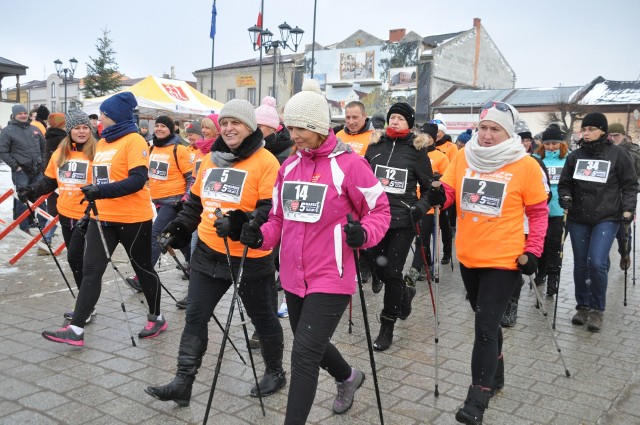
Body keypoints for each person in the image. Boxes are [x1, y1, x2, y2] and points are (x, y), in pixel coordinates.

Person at [239, 79, 391, 423]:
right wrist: (256, 236)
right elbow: (277, 219)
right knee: (314, 346)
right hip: (292, 276)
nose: (293, 134)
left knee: (303, 355)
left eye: (301, 128)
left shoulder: (350, 165)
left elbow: (380, 210)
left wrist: (363, 233)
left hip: (331, 276)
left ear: (320, 126)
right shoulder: (289, 167)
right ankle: (349, 377)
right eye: (289, 126)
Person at [145, 99, 286, 406]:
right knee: (195, 317)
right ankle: (183, 382)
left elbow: (269, 210)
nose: (228, 128)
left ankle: (275, 371)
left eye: (235, 122)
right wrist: (180, 228)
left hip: (250, 258)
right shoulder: (212, 159)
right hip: (209, 252)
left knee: (262, 318)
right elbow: (195, 203)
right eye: (224, 123)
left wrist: (240, 224)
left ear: (249, 127)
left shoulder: (265, 162)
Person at [427, 101, 549, 424]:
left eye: (495, 129)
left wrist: (534, 251)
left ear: (508, 133)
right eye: (483, 128)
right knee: (489, 323)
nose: (487, 135)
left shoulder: (526, 166)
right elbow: (451, 189)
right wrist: (441, 196)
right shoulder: (466, 155)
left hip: (505, 259)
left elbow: (538, 214)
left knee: (483, 327)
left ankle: (476, 400)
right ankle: (497, 376)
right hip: (468, 255)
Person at [41, 92, 166, 346]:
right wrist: (90, 208)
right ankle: (76, 329)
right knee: (91, 270)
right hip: (102, 217)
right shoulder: (104, 143)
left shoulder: (134, 141)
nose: (100, 120)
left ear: (116, 116)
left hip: (133, 218)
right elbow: (99, 180)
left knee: (142, 268)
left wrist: (101, 191)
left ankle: (157, 317)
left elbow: (137, 180)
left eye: (104, 115)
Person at [558, 112, 638, 332]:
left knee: (597, 262)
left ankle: (596, 310)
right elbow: (565, 184)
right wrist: (565, 196)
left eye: (591, 129)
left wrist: (628, 209)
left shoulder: (619, 155)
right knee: (581, 264)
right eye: (584, 129)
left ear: (603, 131)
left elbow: (630, 185)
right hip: (578, 217)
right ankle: (582, 305)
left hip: (607, 216)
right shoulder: (575, 156)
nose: (586, 133)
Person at [364, 102, 433, 351]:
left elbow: (428, 190)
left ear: (409, 124)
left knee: (392, 272)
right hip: (374, 219)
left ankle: (387, 324)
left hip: (402, 221)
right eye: (392, 117)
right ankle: (405, 292)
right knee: (377, 268)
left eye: (400, 119)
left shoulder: (417, 151)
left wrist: (419, 209)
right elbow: (362, 177)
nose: (394, 122)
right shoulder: (375, 146)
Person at [17, 110, 97, 321]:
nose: (81, 132)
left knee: (79, 259)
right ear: (69, 130)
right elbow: (49, 181)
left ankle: (85, 308)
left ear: (90, 130)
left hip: (89, 216)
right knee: (75, 261)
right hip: (66, 213)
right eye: (77, 128)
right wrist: (31, 190)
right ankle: (86, 304)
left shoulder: (97, 152)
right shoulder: (61, 153)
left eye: (85, 127)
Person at [500, 120, 551, 327]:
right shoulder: (498, 160)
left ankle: (512, 304)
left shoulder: (534, 163)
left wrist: (524, 200)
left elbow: (545, 194)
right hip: (501, 224)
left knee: (516, 267)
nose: (524, 143)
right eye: (521, 139)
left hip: (524, 224)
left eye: (528, 140)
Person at [405, 122, 449, 306]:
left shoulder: (441, 157)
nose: (426, 140)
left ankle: (415, 270)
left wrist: (439, 180)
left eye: (430, 137)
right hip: (413, 203)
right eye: (424, 136)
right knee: (419, 238)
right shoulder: (414, 153)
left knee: (421, 236)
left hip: (429, 205)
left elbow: (448, 181)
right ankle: (426, 265)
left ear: (434, 139)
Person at [0, 104, 47, 234]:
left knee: (41, 198)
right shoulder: (7, 131)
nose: (23, 115)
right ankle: (24, 227)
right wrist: (16, 166)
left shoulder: (34, 129)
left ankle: (45, 226)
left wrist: (42, 164)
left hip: (37, 170)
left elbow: (43, 149)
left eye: (25, 113)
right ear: (15, 115)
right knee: (23, 199)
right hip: (21, 172)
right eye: (20, 113)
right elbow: (3, 151)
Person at [534, 125, 569, 296]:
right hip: (540, 210)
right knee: (541, 244)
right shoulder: (536, 159)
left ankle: (553, 279)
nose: (551, 147)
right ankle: (541, 272)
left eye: (554, 143)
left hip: (560, 211)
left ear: (561, 143)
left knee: (555, 245)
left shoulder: (569, 159)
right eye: (547, 144)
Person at [607, 122, 640, 270]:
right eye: (611, 135)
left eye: (616, 135)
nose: (613, 138)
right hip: (607, 197)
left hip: (625, 196)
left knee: (624, 230)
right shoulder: (606, 150)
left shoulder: (633, 151)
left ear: (623, 135)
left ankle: (625, 253)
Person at [431, 116, 456, 264]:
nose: (437, 133)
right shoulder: (429, 145)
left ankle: (447, 252)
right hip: (430, 188)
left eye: (440, 131)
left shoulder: (450, 147)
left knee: (444, 222)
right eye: (435, 131)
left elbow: (453, 166)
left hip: (445, 188)